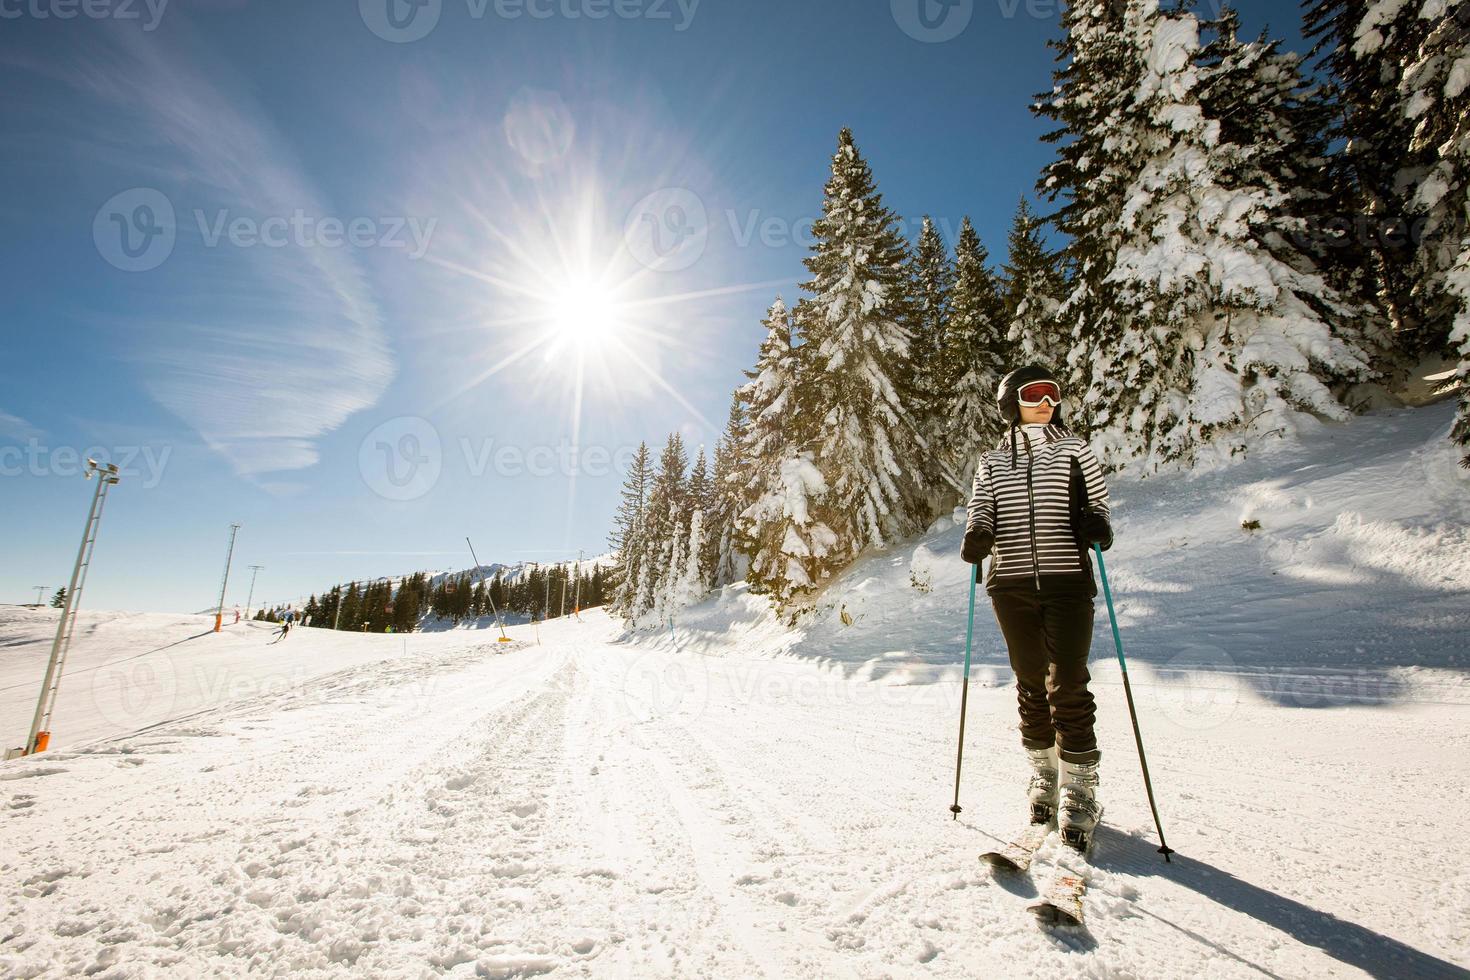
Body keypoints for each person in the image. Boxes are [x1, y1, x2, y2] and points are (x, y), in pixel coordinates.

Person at [962, 364, 1114, 849]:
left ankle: (1081, 788)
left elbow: (1099, 504)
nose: (1046, 401)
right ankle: (1044, 774)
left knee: (1068, 679)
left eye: (1053, 394)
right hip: (1010, 583)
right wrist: (978, 533)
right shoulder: (991, 461)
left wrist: (1098, 526)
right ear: (1012, 402)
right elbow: (980, 506)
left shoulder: (1075, 450)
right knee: (1030, 679)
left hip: (1067, 577)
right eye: (1035, 394)